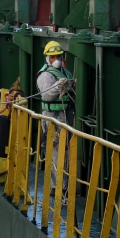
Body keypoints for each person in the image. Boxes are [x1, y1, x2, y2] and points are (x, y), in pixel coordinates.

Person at [36, 42, 75, 200]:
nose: (56, 59)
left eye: (58, 56)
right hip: (52, 117)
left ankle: (65, 184)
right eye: (53, 57)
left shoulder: (65, 72)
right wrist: (59, 86)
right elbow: (46, 95)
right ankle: (56, 186)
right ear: (47, 58)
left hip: (65, 116)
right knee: (55, 150)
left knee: (66, 151)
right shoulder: (45, 75)